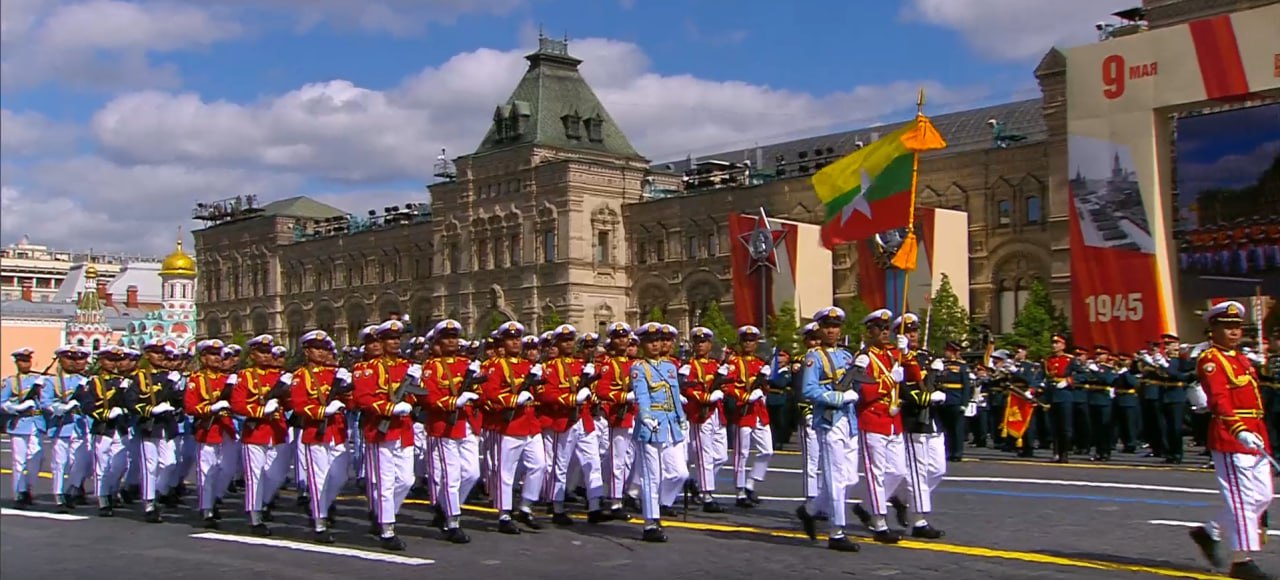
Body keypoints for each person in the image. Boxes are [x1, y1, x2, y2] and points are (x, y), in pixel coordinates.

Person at [1187, 301, 1274, 580]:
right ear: (1213, 329)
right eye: (1227, 327)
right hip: (1231, 433)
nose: (1234, 332)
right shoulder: (1212, 360)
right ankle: (1242, 560)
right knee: (1242, 498)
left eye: (1237, 327)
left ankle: (1210, 531)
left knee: (1262, 495)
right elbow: (1219, 399)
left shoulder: (1240, 358)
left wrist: (1254, 431)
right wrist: (1238, 429)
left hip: (1255, 431)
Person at [794, 306, 861, 552]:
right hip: (829, 420)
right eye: (827, 326)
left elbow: (859, 385)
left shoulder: (846, 356)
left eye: (835, 326)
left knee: (851, 478)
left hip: (849, 421)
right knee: (835, 478)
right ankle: (837, 531)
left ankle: (810, 510)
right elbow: (808, 390)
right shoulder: (814, 358)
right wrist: (836, 398)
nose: (832, 330)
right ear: (820, 329)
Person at [354, 319, 420, 551]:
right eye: (390, 338)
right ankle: (387, 528)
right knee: (385, 482)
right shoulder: (367, 368)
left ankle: (383, 513)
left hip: (403, 430)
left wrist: (415, 387)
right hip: (380, 430)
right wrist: (389, 408)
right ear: (380, 342)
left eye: (397, 338)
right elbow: (363, 398)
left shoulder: (407, 365)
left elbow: (415, 397)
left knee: (406, 480)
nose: (395, 342)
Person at [480, 321, 548, 534]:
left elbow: (540, 392)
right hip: (509, 424)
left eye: (518, 338)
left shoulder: (528, 365)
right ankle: (504, 514)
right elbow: (490, 392)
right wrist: (513, 400)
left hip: (530, 424)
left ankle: (526, 506)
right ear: (502, 342)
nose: (516, 342)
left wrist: (540, 383)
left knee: (539, 466)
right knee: (506, 472)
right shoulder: (496, 366)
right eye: (511, 339)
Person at [421, 320, 484, 543]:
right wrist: (454, 402)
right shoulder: (432, 367)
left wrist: (477, 389)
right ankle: (452, 521)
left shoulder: (467, 363)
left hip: (467, 423)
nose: (452, 341)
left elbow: (480, 391)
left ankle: (444, 506)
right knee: (451, 475)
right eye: (447, 337)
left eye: (455, 337)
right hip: (444, 425)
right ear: (438, 341)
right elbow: (429, 397)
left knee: (472, 473)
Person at [538, 324, 606, 524]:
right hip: (564, 419)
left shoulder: (581, 365)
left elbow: (595, 389)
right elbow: (547, 394)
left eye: (571, 340)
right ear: (557, 343)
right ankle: (557, 506)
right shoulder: (549, 367)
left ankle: (595, 506)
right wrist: (572, 399)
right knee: (561, 465)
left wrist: (591, 395)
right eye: (564, 341)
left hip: (584, 420)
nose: (568, 344)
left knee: (592, 462)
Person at [850, 308, 907, 544]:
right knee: (876, 474)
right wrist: (888, 381)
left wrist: (907, 352)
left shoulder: (893, 355)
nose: (885, 332)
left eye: (887, 329)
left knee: (898, 471)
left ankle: (865, 506)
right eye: (880, 329)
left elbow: (912, 373)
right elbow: (863, 391)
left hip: (893, 420)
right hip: (872, 419)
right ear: (869, 331)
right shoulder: (864, 358)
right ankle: (879, 522)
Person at [291, 330, 353, 544]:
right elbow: (299, 405)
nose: (322, 353)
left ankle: (322, 506)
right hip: (315, 432)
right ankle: (319, 522)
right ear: (307, 351)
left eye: (325, 348)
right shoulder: (301, 375)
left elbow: (351, 401)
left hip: (337, 431)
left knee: (340, 476)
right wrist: (323, 411)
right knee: (318, 480)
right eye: (317, 348)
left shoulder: (335, 374)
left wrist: (348, 391)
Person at [630, 321, 689, 542]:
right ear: (643, 344)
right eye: (650, 342)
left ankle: (661, 503)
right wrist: (644, 416)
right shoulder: (639, 368)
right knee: (651, 476)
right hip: (651, 425)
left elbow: (674, 395)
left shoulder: (670, 367)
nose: (655, 345)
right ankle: (650, 522)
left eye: (658, 341)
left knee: (679, 472)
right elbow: (642, 395)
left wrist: (681, 417)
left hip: (671, 424)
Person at [231, 335, 293, 535]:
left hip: (278, 430)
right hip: (255, 431)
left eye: (269, 352)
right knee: (255, 476)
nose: (267, 356)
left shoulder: (280, 376)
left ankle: (264, 501)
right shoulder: (245, 376)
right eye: (262, 352)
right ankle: (255, 516)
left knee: (276, 474)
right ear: (252, 354)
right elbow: (238, 404)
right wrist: (260, 410)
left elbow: (291, 403)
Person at [184, 339, 238, 527]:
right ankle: (207, 509)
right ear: (203, 357)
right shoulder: (196, 380)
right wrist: (211, 408)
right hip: (208, 429)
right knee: (208, 471)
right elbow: (190, 407)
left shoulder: (228, 379)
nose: (217, 358)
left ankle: (216, 497)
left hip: (227, 429)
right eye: (212, 354)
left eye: (219, 354)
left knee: (228, 469)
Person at [681, 326, 730, 513]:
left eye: (704, 342)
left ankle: (695, 481)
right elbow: (685, 387)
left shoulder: (716, 365)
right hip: (700, 412)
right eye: (697, 342)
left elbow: (726, 383)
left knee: (721, 455)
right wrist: (704, 397)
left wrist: (720, 391)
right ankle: (706, 493)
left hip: (716, 413)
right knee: (704, 454)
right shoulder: (689, 366)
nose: (700, 345)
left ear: (710, 345)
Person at [726, 325, 775, 508]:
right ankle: (739, 492)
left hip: (759, 412)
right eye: (745, 340)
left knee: (767, 450)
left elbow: (766, 385)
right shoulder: (735, 363)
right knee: (742, 453)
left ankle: (751, 483)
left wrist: (764, 388)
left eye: (752, 340)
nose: (748, 343)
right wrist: (745, 396)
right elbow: (728, 386)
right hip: (743, 411)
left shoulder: (761, 363)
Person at [43, 345, 92, 511]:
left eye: (77, 359)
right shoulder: (52, 381)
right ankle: (59, 495)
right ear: (60, 360)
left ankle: (73, 489)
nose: (73, 362)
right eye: (69, 358)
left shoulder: (87, 381)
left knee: (80, 463)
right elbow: (46, 402)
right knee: (59, 463)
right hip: (61, 425)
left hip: (80, 426)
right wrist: (58, 408)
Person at [2, 347, 48, 508]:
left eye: (27, 360)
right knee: (18, 460)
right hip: (20, 423)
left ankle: (29, 487)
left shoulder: (39, 379)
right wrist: (17, 407)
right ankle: (19, 492)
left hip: (37, 421)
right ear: (16, 363)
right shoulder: (11, 381)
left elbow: (46, 402)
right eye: (22, 361)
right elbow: (3, 402)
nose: (25, 363)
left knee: (37, 457)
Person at [1043, 334, 1075, 463]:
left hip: (1064, 395)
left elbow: (1083, 374)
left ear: (1063, 345)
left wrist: (1069, 381)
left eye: (1057, 343)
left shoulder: (1070, 360)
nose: (1054, 345)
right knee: (1054, 426)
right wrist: (1032, 389)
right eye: (1053, 343)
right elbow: (1041, 376)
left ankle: (1065, 452)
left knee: (1065, 427)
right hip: (1051, 394)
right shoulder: (1048, 360)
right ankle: (1056, 452)